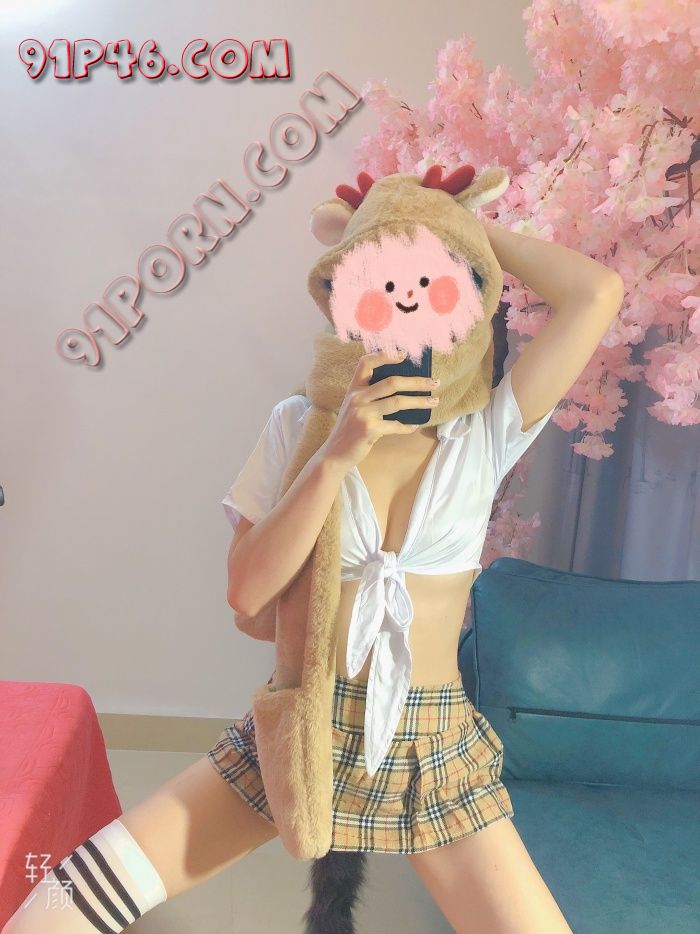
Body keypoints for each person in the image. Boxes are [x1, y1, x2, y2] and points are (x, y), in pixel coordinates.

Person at [4, 168, 623, 933]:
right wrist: (336, 453)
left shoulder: (485, 432)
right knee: (55, 908)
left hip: (432, 745)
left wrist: (441, 220)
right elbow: (246, 594)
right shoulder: (298, 426)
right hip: (302, 726)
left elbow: (596, 294)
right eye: (384, 278)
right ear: (345, 299)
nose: (406, 301)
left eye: (429, 280)